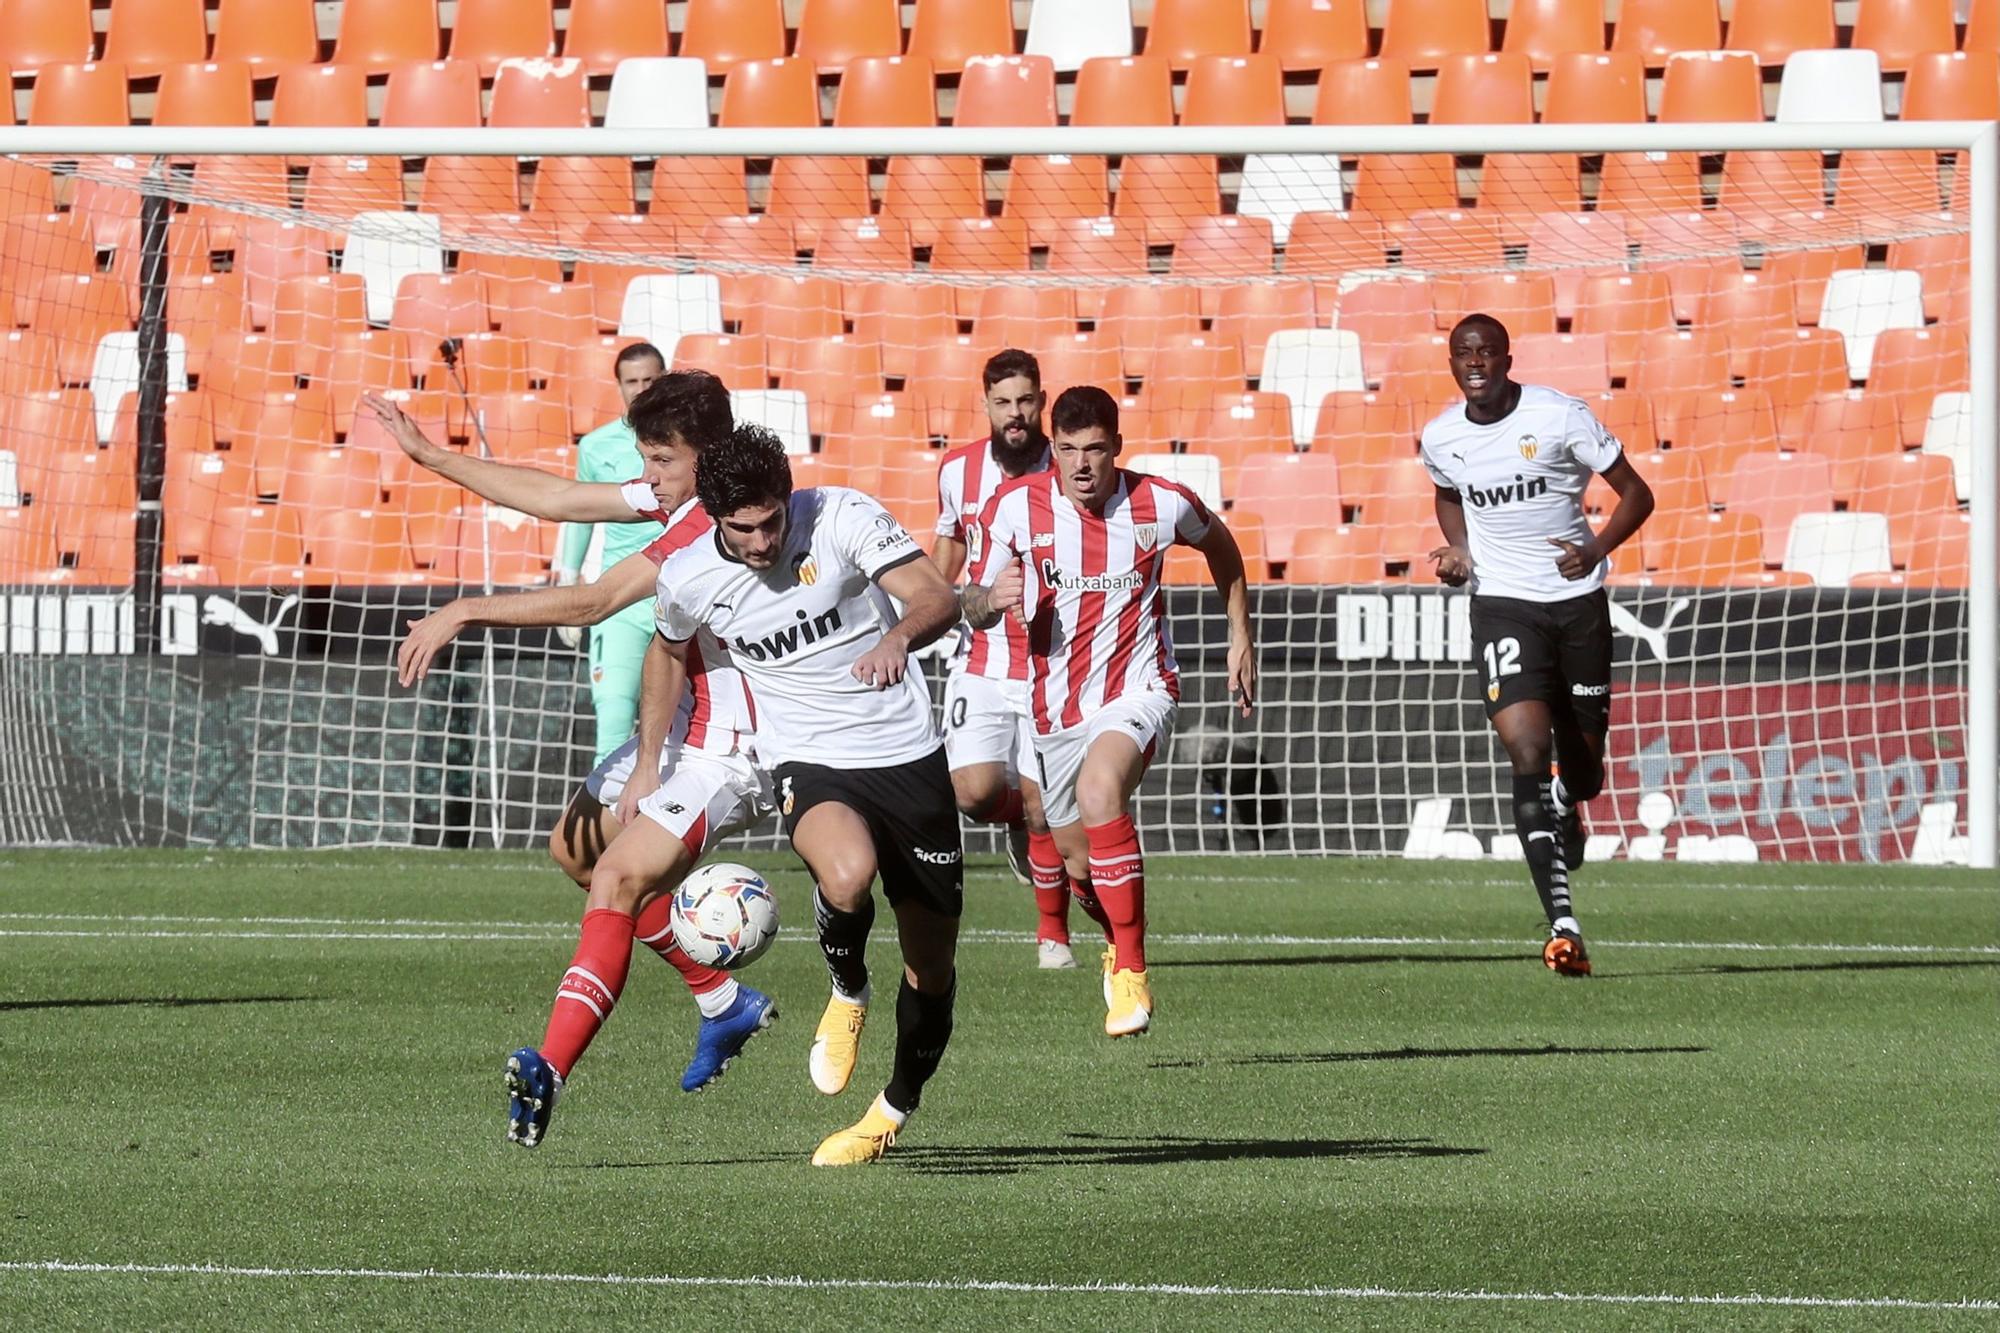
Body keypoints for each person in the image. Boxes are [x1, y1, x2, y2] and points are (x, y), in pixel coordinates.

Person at [367, 374, 778, 1150]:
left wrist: (464, 609)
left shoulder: (707, 525)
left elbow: (595, 600)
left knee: (619, 876)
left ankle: (549, 1068)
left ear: (707, 456)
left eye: (659, 458)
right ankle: (722, 998)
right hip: (688, 721)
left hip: (739, 746)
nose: (646, 473)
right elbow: (556, 498)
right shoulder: (679, 497)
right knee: (578, 849)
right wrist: (428, 455)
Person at [653, 424, 963, 1166]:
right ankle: (847, 987)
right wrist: (645, 763)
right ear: (715, 518)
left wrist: (897, 640)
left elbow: (937, 597)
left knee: (932, 968)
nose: (762, 543)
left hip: (907, 755)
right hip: (808, 758)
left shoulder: (842, 517)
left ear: (788, 499)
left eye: (772, 522)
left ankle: (891, 1109)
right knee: (848, 871)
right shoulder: (689, 575)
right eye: (742, 529)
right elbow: (665, 651)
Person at [962, 386, 1256, 1038]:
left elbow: (1223, 550)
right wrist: (991, 598)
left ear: (1117, 447)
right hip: (1054, 709)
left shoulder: (1162, 503)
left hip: (1139, 689)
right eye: (1068, 450)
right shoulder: (1014, 507)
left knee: (1101, 791)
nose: (1082, 465)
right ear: (1054, 450)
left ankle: (1131, 970)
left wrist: (1241, 634)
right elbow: (972, 602)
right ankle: (1110, 938)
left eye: (1095, 449)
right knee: (1078, 865)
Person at [1420, 313, 1655, 978]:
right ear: (1452, 361)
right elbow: (1446, 495)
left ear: (1506, 358)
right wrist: (1463, 551)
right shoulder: (1441, 437)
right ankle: (1562, 926)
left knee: (1584, 774)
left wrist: (1597, 547)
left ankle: (1565, 806)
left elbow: (1639, 493)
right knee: (1525, 746)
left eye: (1486, 352)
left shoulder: (1558, 417)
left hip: (1577, 608)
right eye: (1463, 353)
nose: (1475, 363)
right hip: (1502, 607)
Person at [931, 349, 1071, 967]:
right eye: (1003, 403)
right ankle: (1020, 823)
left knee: (1047, 804)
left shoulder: (1069, 466)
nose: (1016, 415)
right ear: (985, 404)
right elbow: (947, 551)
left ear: (1042, 400)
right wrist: (923, 621)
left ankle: (1053, 938)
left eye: (1025, 401)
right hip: (980, 652)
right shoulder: (956, 471)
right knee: (974, 793)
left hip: (1050, 656)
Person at [557, 342, 670, 766]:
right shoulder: (596, 447)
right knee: (614, 719)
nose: (642, 389)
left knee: (681, 730)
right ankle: (611, 828)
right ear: (619, 385)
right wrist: (568, 576)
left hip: (677, 595)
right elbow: (578, 511)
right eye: (632, 381)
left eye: (650, 380)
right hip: (621, 600)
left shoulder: (692, 443)